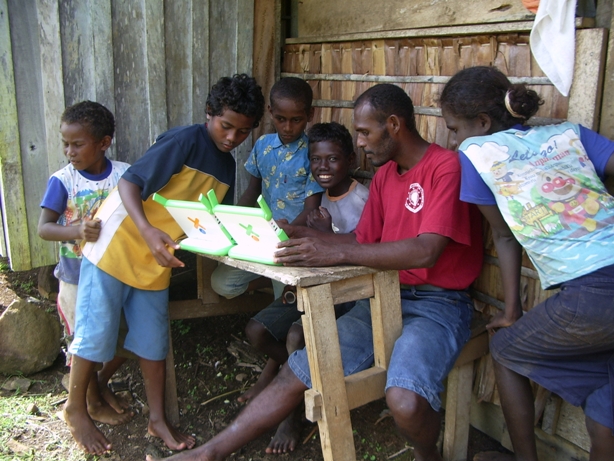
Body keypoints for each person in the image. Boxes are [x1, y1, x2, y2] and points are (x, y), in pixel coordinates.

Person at [147, 83, 483, 461]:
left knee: (404, 401)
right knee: (298, 370)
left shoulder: (445, 167)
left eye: (364, 132)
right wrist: (300, 233)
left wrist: (332, 252)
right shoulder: (387, 175)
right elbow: (360, 240)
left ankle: (428, 457)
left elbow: (426, 251)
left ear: (393, 125)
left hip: (438, 303)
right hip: (383, 292)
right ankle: (208, 454)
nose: (361, 143)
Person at [63, 74, 265, 456]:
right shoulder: (183, 141)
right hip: (117, 244)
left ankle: (157, 419)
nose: (232, 138)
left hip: (155, 260)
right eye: (226, 126)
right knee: (95, 331)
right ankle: (75, 408)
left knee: (152, 341)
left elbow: (209, 218)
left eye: (243, 131)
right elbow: (129, 184)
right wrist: (148, 230)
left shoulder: (226, 167)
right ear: (209, 113)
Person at [439, 65, 614, 461]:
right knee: (606, 407)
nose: (453, 139)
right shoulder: (570, 134)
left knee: (505, 350)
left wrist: (511, 312)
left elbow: (503, 236)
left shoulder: (476, 153)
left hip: (591, 294)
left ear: (482, 123)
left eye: (454, 129)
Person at [241, 121, 369, 453]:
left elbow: (366, 251)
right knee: (256, 331)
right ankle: (290, 381)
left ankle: (291, 412)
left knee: (296, 335)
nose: (322, 167)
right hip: (311, 288)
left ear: (351, 160)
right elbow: (300, 236)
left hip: (347, 296)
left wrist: (326, 235)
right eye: (315, 159)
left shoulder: (363, 200)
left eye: (332, 159)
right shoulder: (318, 198)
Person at [38, 100, 134, 426]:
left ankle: (101, 384)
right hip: (76, 278)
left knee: (124, 334)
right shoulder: (63, 181)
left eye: (77, 144)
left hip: (116, 272)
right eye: (65, 144)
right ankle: (90, 403)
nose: (70, 152)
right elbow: (44, 228)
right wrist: (76, 231)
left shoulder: (123, 175)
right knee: (85, 342)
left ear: (104, 143)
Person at [210, 76, 323, 301]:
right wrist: (231, 222)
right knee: (222, 283)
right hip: (261, 237)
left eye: (296, 120)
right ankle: (268, 280)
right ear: (270, 112)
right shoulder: (263, 145)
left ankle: (280, 287)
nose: (288, 127)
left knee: (286, 305)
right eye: (281, 119)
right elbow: (252, 191)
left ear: (310, 115)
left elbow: (312, 208)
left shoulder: (313, 154)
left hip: (292, 242)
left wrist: (285, 234)